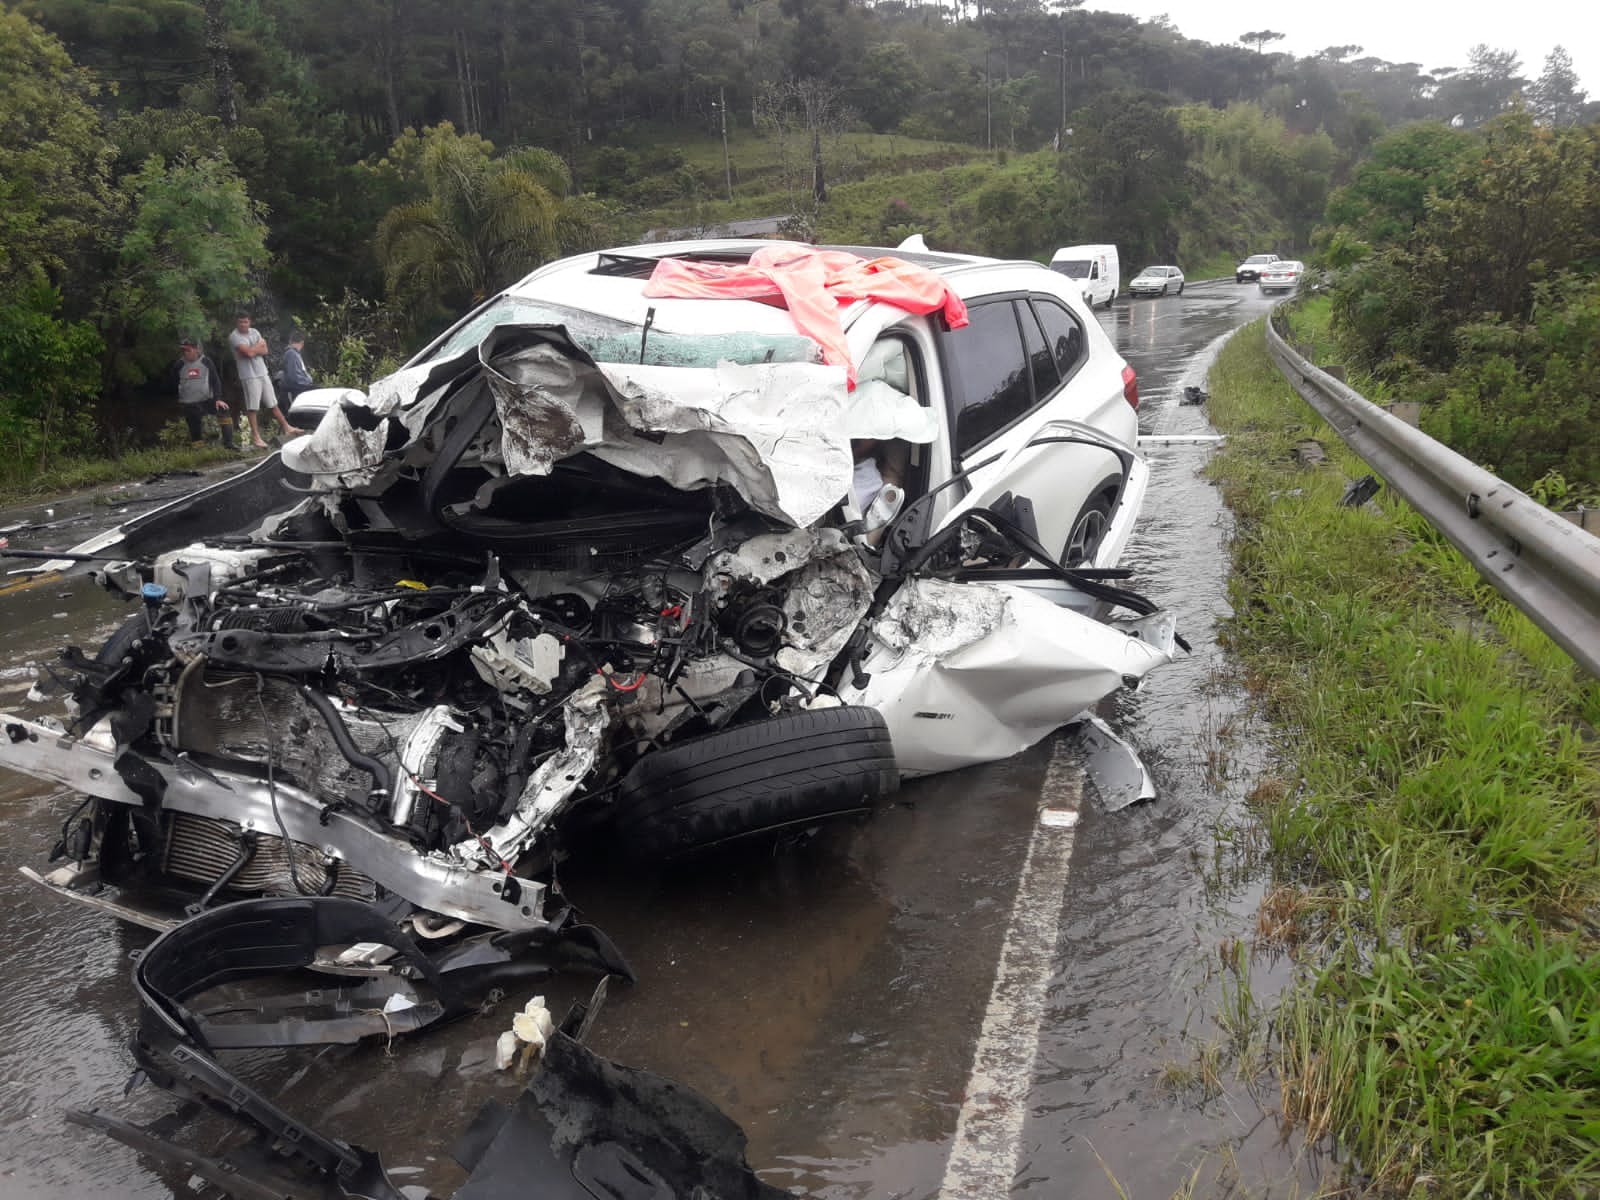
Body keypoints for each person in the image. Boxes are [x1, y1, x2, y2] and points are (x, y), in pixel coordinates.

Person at [228, 312, 303, 448]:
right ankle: (256, 438)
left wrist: (251, 351)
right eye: (240, 322)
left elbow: (265, 350)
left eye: (245, 322)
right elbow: (251, 352)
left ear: (250, 322)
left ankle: (287, 427)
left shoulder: (255, 332)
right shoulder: (234, 336)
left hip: (262, 372)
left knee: (272, 403)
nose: (243, 324)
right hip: (249, 375)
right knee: (253, 407)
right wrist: (254, 349)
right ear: (236, 323)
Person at [174, 338, 236, 450]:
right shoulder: (179, 364)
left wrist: (218, 398)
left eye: (188, 350)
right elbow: (172, 383)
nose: (185, 353)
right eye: (183, 351)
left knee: (224, 410)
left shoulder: (206, 362)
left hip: (207, 400)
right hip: (189, 403)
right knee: (194, 428)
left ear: (196, 350)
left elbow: (215, 381)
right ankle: (199, 451)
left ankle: (229, 444)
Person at [281, 332, 315, 406]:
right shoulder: (291, 353)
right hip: (297, 389)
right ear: (302, 343)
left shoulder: (295, 353)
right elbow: (293, 376)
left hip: (300, 387)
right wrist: (307, 381)